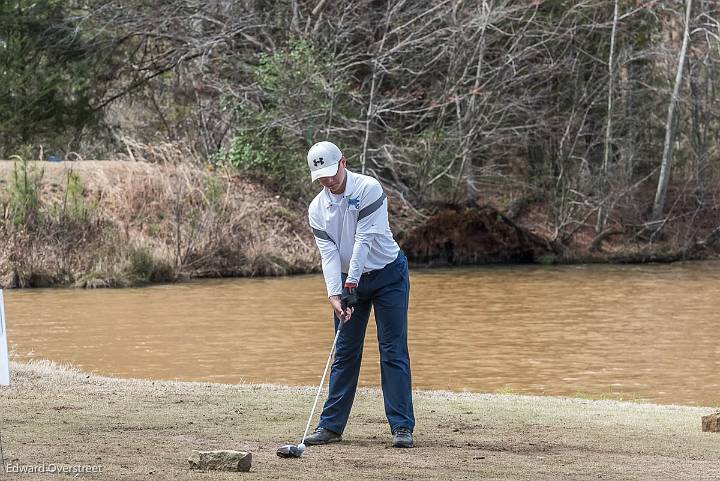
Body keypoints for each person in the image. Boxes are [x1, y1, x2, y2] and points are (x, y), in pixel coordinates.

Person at [304, 141, 415, 448]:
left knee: (392, 349)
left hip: (387, 275)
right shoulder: (317, 209)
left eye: (332, 172)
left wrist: (350, 284)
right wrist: (335, 295)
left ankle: (402, 427)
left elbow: (364, 241)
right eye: (321, 176)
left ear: (344, 162)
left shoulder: (369, 189)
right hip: (347, 281)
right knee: (345, 351)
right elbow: (328, 255)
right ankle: (330, 426)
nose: (329, 180)